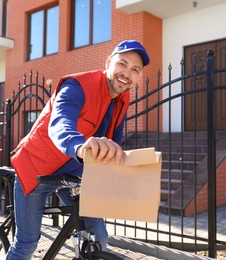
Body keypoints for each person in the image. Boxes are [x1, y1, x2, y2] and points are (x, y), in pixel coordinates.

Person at [8, 40, 150, 259]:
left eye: (135, 69)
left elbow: (115, 139)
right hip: (37, 170)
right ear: (108, 63)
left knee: (98, 237)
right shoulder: (77, 86)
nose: (127, 73)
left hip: (73, 175)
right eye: (122, 64)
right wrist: (80, 146)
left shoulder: (123, 98)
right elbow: (60, 124)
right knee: (26, 244)